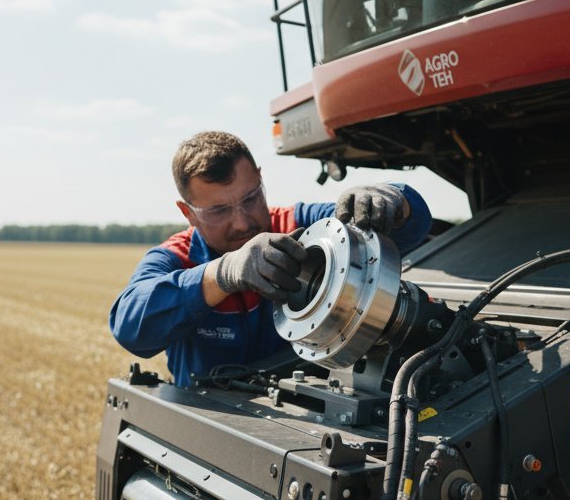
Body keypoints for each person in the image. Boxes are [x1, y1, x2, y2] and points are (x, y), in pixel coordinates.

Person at [109, 131, 432, 388]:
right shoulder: (177, 258)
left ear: (260, 179)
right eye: (219, 210)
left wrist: (394, 201)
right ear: (187, 213)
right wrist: (222, 274)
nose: (242, 222)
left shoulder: (301, 226)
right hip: (211, 424)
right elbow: (129, 327)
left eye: (251, 198)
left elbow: (407, 228)